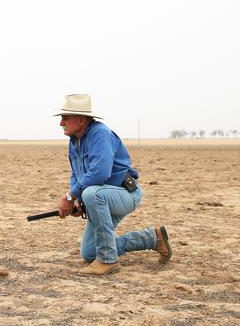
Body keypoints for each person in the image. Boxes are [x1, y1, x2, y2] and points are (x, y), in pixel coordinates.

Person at [54, 94, 172, 275]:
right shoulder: (74, 140)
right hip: (103, 197)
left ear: (81, 119)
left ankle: (108, 260)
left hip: (123, 194)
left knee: (91, 194)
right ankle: (153, 238)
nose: (61, 123)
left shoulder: (100, 133)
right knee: (89, 253)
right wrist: (76, 199)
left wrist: (70, 196)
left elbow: (101, 172)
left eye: (65, 118)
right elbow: (76, 174)